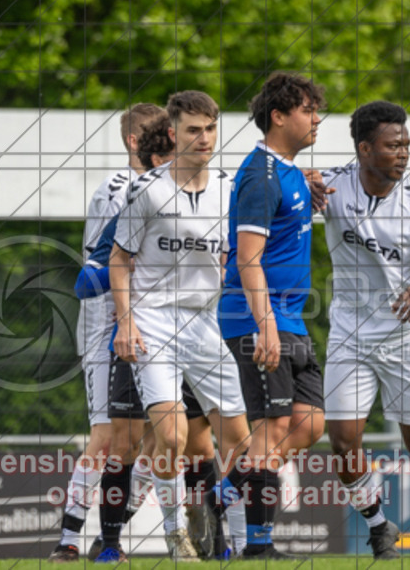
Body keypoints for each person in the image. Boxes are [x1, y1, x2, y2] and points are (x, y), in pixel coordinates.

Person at [111, 91, 251, 561]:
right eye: (193, 130)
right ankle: (175, 536)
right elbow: (119, 260)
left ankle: (239, 541)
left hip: (204, 321)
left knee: (239, 442)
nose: (204, 138)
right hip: (152, 321)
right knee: (171, 436)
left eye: (210, 129)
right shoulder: (147, 190)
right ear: (173, 133)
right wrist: (126, 323)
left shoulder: (230, 189)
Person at [318, 101, 410, 560]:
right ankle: (379, 527)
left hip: (406, 335)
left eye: (406, 145)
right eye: (392, 145)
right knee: (342, 440)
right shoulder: (331, 184)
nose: (402, 153)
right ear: (364, 149)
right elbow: (284, 183)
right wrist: (299, 186)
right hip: (349, 333)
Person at [49, 103, 168, 562]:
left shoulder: (167, 187)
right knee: (106, 436)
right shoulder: (118, 189)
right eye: (156, 134)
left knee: (159, 439)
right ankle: (68, 539)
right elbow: (101, 266)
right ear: (135, 142)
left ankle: (111, 533)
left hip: (156, 323)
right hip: (107, 324)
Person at [216, 72, 327, 560]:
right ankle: (258, 546)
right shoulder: (260, 176)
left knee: (309, 424)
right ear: (278, 117)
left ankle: (221, 491)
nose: (316, 118)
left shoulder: (287, 171)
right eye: (307, 110)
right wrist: (265, 326)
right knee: (272, 428)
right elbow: (247, 259)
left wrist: (309, 185)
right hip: (256, 317)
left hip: (291, 318)